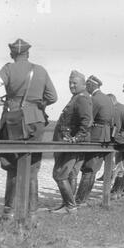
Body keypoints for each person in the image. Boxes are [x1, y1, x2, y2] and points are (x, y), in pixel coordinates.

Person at [0, 38, 57, 220]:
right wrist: (38, 105)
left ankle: (9, 212)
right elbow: (53, 97)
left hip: (14, 121)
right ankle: (31, 214)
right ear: (28, 54)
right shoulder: (40, 70)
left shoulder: (8, 68)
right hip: (36, 122)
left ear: (11, 54)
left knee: (13, 166)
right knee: (32, 168)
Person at [51, 70, 92, 213]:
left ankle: (70, 206)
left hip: (71, 143)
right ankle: (66, 204)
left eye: (75, 83)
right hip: (72, 142)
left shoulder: (81, 98)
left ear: (83, 84)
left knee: (59, 174)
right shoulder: (77, 97)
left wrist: (77, 138)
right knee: (71, 174)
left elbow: (86, 121)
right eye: (70, 82)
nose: (71, 85)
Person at [75, 75, 114, 206]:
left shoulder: (94, 99)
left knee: (88, 169)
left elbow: (88, 119)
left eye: (87, 85)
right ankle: (83, 199)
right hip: (106, 137)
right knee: (93, 169)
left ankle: (80, 200)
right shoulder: (108, 99)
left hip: (95, 136)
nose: (86, 88)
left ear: (92, 85)